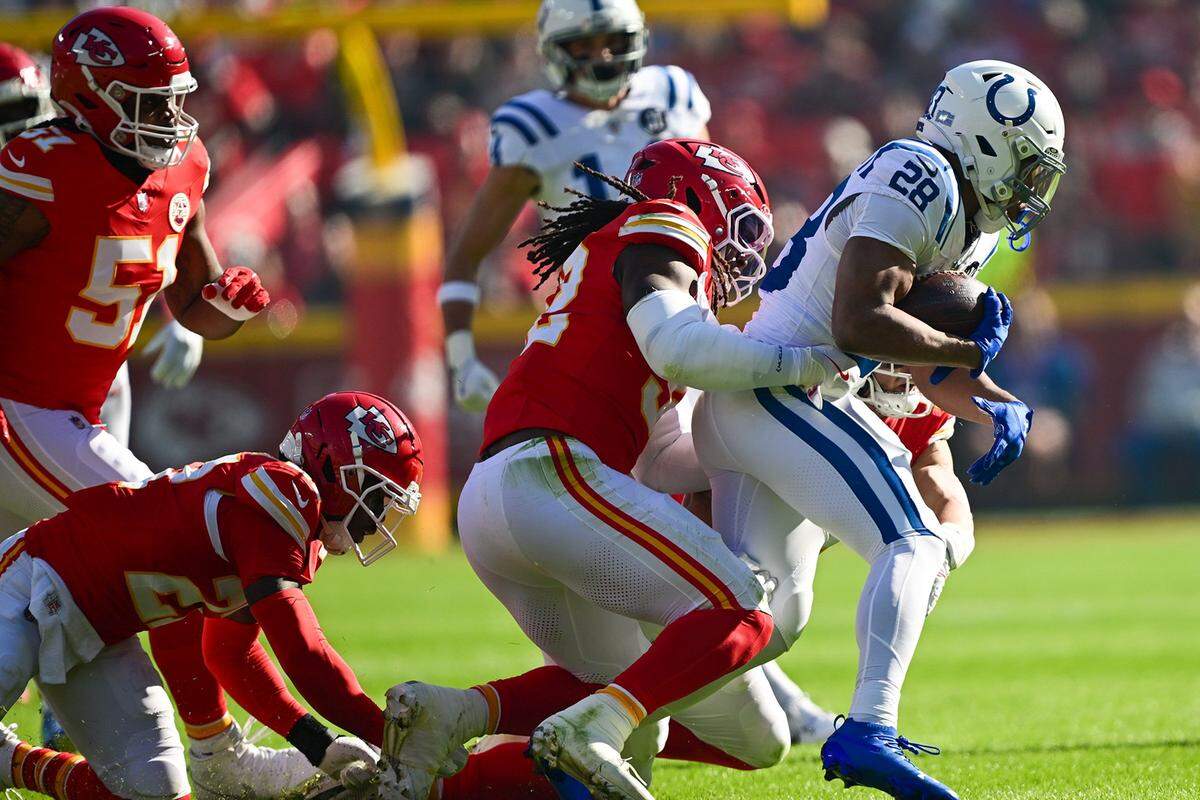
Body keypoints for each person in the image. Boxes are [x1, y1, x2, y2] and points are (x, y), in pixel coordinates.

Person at [379, 139, 843, 800]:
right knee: (740, 604)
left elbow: (662, 461)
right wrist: (803, 363)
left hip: (510, 495)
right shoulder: (664, 228)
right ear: (689, 197)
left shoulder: (620, 273)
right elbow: (678, 348)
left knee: (696, 721)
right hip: (551, 474)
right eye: (740, 225)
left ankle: (444, 737)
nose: (745, 252)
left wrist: (779, 474)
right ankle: (592, 726)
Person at [691, 60, 1059, 800]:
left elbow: (912, 355)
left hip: (773, 395)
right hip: (780, 384)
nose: (1027, 188)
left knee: (765, 620)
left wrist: (990, 396)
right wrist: (964, 348)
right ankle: (869, 731)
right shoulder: (917, 172)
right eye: (1022, 163)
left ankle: (598, 717)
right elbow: (857, 321)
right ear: (982, 136)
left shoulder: (965, 216)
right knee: (915, 539)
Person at [0, 8, 307, 797]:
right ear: (90, 98)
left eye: (174, 98)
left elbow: (195, 297)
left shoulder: (187, 166)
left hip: (75, 417)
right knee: (175, 535)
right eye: (147, 99)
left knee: (145, 774)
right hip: (18, 407)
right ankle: (221, 752)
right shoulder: (43, 165)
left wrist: (226, 308)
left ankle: (41, 758)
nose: (169, 117)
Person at [0, 391, 423, 800]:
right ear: (331, 465)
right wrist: (391, 736)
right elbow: (304, 652)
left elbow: (229, 654)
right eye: (377, 494)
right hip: (28, 583)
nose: (378, 517)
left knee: (151, 787)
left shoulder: (294, 529)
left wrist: (318, 743)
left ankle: (11, 764)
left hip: (98, 638)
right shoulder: (283, 493)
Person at [438, 0, 711, 414]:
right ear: (555, 51)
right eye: (584, 45)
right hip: (600, 323)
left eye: (613, 41)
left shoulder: (673, 94)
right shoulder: (533, 125)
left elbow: (721, 201)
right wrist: (461, 359)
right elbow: (466, 255)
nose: (602, 56)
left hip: (689, 303)